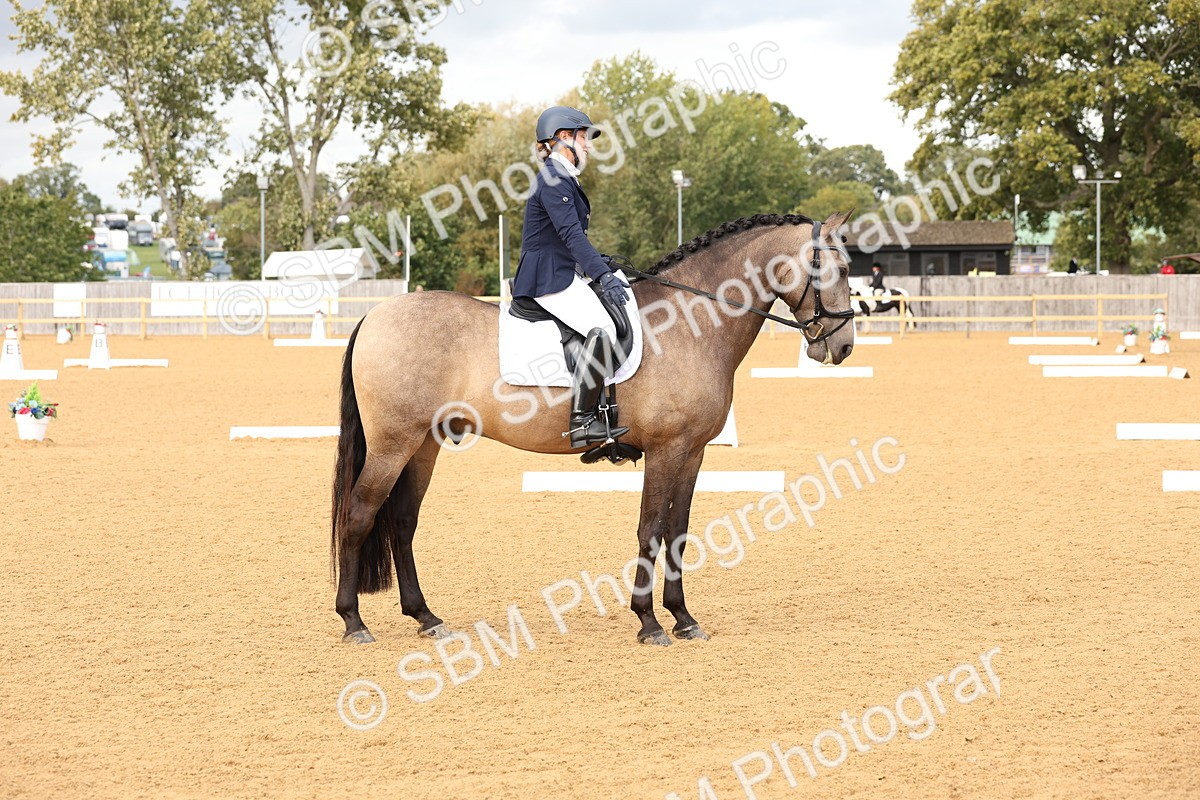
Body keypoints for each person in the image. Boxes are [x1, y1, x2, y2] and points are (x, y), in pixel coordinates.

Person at [513, 105, 631, 447]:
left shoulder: (561, 176)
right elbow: (571, 236)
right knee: (605, 328)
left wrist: (602, 264)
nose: (590, 146)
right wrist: (601, 275)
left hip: (560, 269)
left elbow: (568, 237)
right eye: (585, 138)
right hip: (547, 277)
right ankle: (583, 422)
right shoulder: (553, 176)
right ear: (565, 138)